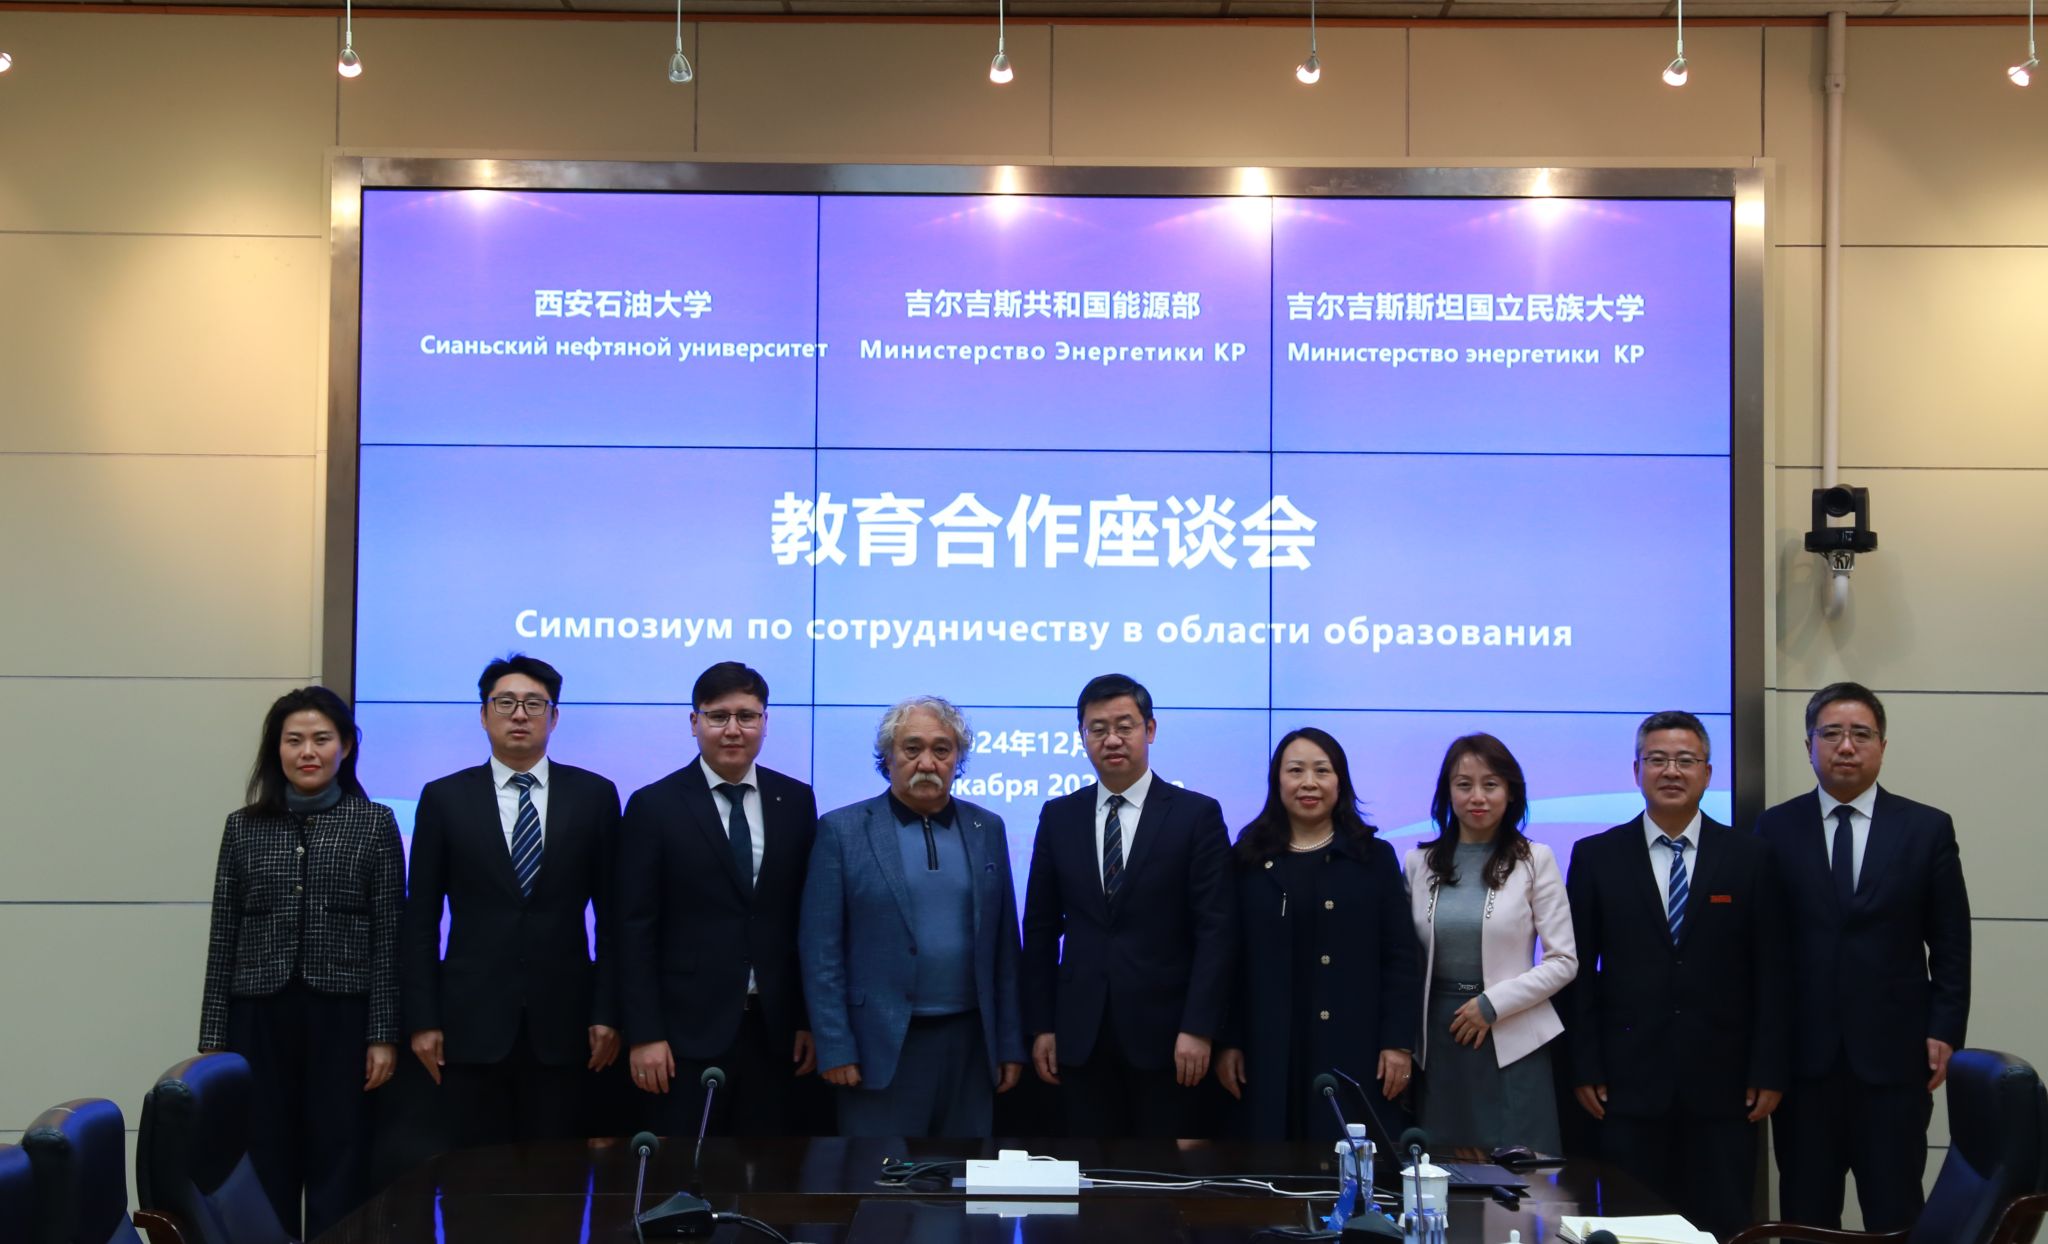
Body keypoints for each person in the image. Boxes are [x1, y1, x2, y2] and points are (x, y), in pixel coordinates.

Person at [1566, 711, 1789, 1241]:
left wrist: (1769, 1068)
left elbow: (1774, 972)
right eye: (1658, 760)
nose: (1671, 771)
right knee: (1633, 1228)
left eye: (1685, 760)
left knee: (1722, 1225)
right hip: (1626, 1084)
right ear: (1636, 770)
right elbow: (1577, 972)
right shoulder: (1597, 856)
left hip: (1726, 1088)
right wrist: (1583, 1065)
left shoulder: (1751, 857)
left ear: (1707, 773)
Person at [1757, 682, 1971, 1233]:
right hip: (1803, 1063)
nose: (1846, 746)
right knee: (1806, 1214)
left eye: (1860, 734)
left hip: (1896, 1059)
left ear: (1882, 745)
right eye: (1831, 734)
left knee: (1895, 1211)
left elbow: (1951, 941)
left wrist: (1945, 1028)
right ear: (1809, 745)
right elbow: (1761, 948)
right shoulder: (1774, 829)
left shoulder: (1926, 828)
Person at [197, 686, 403, 1240]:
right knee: (263, 1152)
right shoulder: (243, 826)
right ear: (277, 749)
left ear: (346, 747)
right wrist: (214, 1039)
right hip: (258, 1015)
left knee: (341, 1153)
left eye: (321, 739)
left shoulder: (374, 822)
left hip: (344, 1014)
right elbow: (223, 935)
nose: (307, 751)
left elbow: (390, 936)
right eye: (294, 740)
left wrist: (383, 1035)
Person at [399, 655, 622, 1147]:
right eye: (505, 703)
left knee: (557, 1177)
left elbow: (614, 918)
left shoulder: (595, 796)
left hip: (565, 1024)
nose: (519, 714)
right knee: (473, 1178)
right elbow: (420, 921)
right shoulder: (443, 798)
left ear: (554, 717)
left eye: (534, 704)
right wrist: (423, 1019)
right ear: (484, 715)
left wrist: (607, 1011)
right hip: (469, 1024)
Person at [798, 696, 1027, 1136]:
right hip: (878, 1046)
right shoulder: (842, 831)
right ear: (887, 757)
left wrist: (1009, 1043)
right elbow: (820, 950)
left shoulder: (987, 828)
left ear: (957, 759)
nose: (927, 762)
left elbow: (1003, 947)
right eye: (912, 748)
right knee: (878, 1175)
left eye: (942, 749)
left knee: (964, 1174)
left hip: (970, 1045)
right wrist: (835, 1045)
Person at [1021, 673, 1235, 1138]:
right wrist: (1041, 1026)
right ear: (1082, 736)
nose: (1112, 739)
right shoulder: (1059, 816)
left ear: (1149, 730)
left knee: (1162, 1172)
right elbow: (1039, 929)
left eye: (1124, 726)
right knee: (1085, 1169)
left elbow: (1216, 931)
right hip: (1080, 1035)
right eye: (1097, 729)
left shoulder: (1195, 815)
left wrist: (1199, 1027)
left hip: (1169, 1037)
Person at [617, 661, 819, 1135]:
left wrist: (808, 1021)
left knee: (772, 1169)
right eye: (718, 716)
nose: (733, 729)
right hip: (683, 1035)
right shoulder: (654, 806)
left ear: (765, 722)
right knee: (686, 1167)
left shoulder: (795, 800)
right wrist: (645, 1034)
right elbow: (633, 927)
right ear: (694, 722)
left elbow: (807, 921)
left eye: (746, 716)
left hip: (776, 1033)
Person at [1216, 727, 1422, 1141]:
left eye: (1322, 771)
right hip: (1266, 1047)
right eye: (1295, 771)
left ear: (1340, 781)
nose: (1308, 782)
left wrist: (1398, 1043)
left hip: (1355, 1044)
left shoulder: (1372, 857)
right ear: (1277, 782)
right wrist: (1228, 1041)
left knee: (1348, 1156)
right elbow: (1228, 959)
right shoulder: (1248, 858)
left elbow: (1401, 956)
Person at [1402, 733, 1575, 1154]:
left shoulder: (1535, 859)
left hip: (1509, 1034)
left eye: (1491, 784)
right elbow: (1404, 958)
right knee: (1438, 1170)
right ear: (1448, 792)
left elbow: (1563, 961)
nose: (1477, 797)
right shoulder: (1418, 863)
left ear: (1510, 792)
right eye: (1464, 785)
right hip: (1437, 1039)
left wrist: (1492, 1005)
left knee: (1516, 1175)